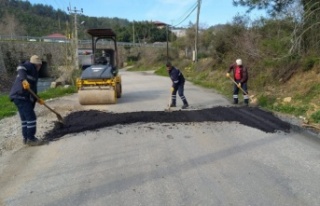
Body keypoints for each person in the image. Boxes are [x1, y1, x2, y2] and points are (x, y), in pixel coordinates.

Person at [9, 55, 45, 146]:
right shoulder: (29, 66)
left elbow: (33, 89)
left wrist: (38, 98)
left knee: (25, 119)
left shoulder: (34, 73)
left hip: (18, 96)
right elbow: (21, 67)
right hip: (21, 95)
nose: (40, 67)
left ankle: (26, 139)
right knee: (31, 117)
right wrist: (24, 80)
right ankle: (31, 139)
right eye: (39, 65)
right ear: (36, 64)